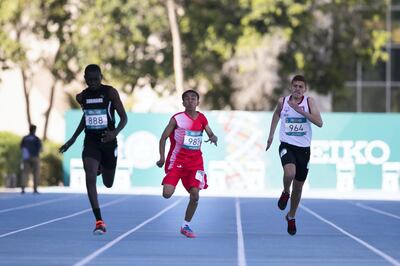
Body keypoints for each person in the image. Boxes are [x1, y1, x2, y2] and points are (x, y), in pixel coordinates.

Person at [59, 64, 128, 235]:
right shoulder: (82, 97)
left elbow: (124, 117)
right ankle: (99, 220)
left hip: (108, 141)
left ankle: (102, 166)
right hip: (91, 141)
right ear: (84, 79)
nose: (93, 83)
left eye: (96, 79)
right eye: (89, 80)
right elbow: (86, 118)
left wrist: (114, 133)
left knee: (108, 183)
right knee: (89, 177)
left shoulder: (110, 92)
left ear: (101, 77)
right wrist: (73, 139)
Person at [265, 75, 323, 235]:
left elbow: (319, 122)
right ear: (291, 87)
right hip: (286, 145)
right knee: (290, 172)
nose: (297, 89)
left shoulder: (309, 102)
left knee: (298, 187)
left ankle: (291, 216)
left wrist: (300, 111)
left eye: (300, 87)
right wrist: (271, 135)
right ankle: (285, 191)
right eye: (295, 86)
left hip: (304, 149)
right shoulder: (282, 101)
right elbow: (277, 114)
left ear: (304, 89)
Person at [156, 90, 218, 238]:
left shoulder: (202, 118)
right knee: (167, 194)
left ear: (198, 102)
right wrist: (162, 158)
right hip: (178, 161)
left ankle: (186, 225)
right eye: (187, 99)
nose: (190, 101)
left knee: (195, 195)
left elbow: (210, 133)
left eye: (193, 99)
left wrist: (213, 137)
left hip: (196, 163)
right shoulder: (176, 119)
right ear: (183, 103)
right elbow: (163, 138)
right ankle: (173, 181)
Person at [20, 124, 42, 194]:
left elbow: (21, 147)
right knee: (35, 173)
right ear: (35, 130)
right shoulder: (36, 139)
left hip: (26, 157)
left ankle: (23, 188)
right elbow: (40, 148)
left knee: (25, 173)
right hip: (35, 157)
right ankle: (35, 189)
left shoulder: (25, 138)